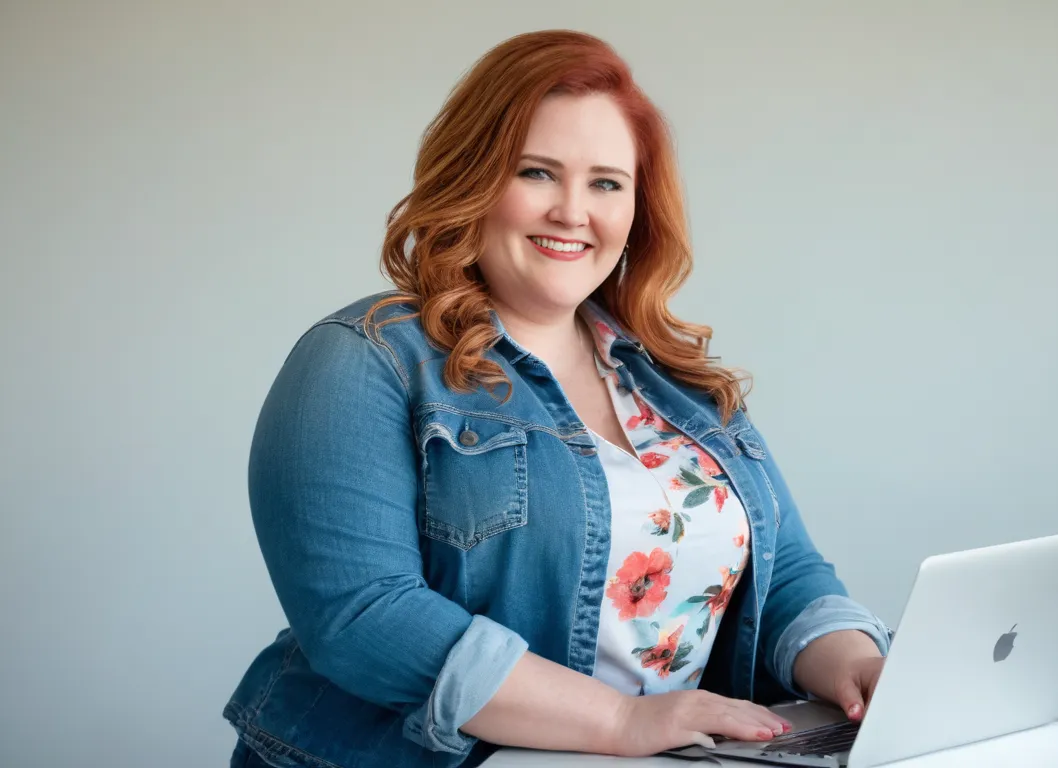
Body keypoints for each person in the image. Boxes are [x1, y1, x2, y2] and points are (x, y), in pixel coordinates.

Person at [223, 29, 892, 768]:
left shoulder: (678, 381)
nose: (574, 212)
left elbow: (787, 571)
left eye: (607, 182)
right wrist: (620, 723)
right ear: (471, 178)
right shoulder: (362, 361)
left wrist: (854, 662)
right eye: (538, 172)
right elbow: (363, 616)